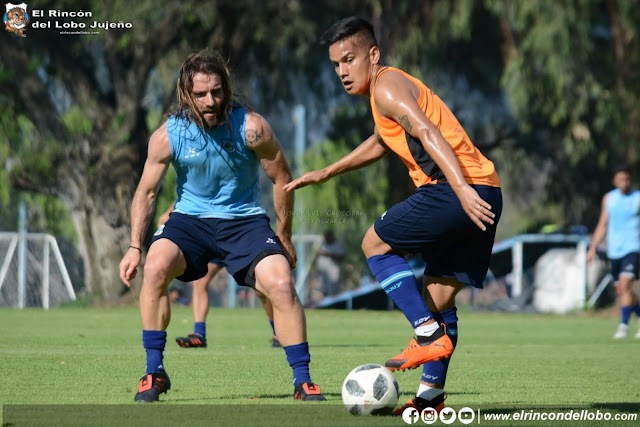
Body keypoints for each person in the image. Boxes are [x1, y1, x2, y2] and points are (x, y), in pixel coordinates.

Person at [284, 17, 502, 413]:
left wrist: (461, 191)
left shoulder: (385, 85)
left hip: (457, 189)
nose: (342, 72)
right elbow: (382, 141)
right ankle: (431, 398)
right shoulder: (386, 90)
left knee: (374, 243)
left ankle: (425, 333)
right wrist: (326, 172)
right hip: (487, 188)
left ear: (373, 54)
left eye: (349, 60)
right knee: (436, 297)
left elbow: (428, 133)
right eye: (336, 65)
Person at [119, 50, 325, 403]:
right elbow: (147, 191)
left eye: (216, 91)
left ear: (226, 89)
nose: (210, 101)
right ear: (187, 95)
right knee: (153, 269)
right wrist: (135, 246)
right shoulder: (168, 135)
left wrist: (285, 235)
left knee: (281, 284)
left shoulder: (252, 128)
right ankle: (154, 372)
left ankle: (303, 381)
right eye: (201, 94)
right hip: (189, 223)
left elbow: (282, 179)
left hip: (244, 223)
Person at [157, 202, 281, 348]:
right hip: (210, 236)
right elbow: (164, 217)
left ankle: (278, 332)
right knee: (200, 282)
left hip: (237, 234)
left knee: (261, 288)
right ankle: (199, 333)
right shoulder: (197, 188)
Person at [587, 166, 640, 339]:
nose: (624, 183)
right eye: (620, 179)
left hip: (633, 248)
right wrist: (593, 247)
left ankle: (623, 326)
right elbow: (603, 224)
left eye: (626, 179)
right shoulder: (609, 199)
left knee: (625, 286)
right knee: (622, 291)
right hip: (614, 250)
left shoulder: (637, 198)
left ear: (630, 180)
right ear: (615, 181)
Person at [315, 229, 345, 297]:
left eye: (328, 236)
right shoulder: (323, 245)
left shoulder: (338, 245)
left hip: (333, 273)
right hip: (323, 274)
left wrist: (327, 254)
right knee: (324, 291)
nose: (326, 238)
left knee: (334, 292)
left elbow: (341, 257)